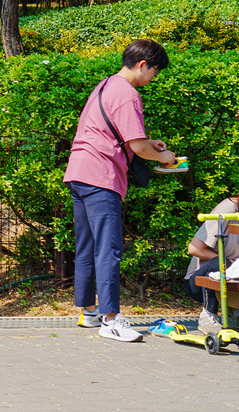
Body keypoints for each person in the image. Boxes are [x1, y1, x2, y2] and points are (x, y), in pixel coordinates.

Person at [63, 39, 176, 342]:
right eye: (154, 71)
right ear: (142, 65)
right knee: (108, 249)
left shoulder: (106, 85)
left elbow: (118, 135)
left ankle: (89, 312)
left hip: (79, 172)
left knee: (87, 245)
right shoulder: (128, 94)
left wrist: (150, 144)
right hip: (101, 177)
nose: (153, 77)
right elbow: (137, 147)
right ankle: (111, 320)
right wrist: (164, 157)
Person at [184, 192, 239, 331]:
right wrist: (232, 265)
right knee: (221, 263)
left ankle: (235, 312)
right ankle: (208, 315)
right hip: (200, 282)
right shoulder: (228, 209)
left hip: (232, 281)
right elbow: (194, 248)